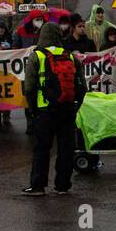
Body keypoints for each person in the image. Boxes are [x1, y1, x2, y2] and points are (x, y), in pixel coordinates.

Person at [21, 22, 86, 196]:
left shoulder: (37, 56)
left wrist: (33, 109)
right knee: (66, 148)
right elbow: (82, 87)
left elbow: (28, 87)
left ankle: (38, 186)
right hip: (67, 108)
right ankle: (63, 185)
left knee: (42, 148)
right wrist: (75, 105)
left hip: (45, 110)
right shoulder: (70, 57)